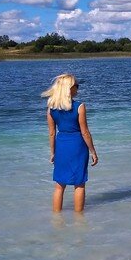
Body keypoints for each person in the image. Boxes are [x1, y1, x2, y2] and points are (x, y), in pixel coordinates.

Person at [41, 74, 98, 212]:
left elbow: (52, 133)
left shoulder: (51, 109)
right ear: (69, 89)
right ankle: (79, 219)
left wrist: (53, 152)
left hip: (61, 145)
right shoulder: (79, 107)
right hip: (77, 146)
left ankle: (57, 218)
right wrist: (93, 151)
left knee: (59, 185)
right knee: (79, 183)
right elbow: (85, 132)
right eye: (76, 86)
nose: (78, 88)